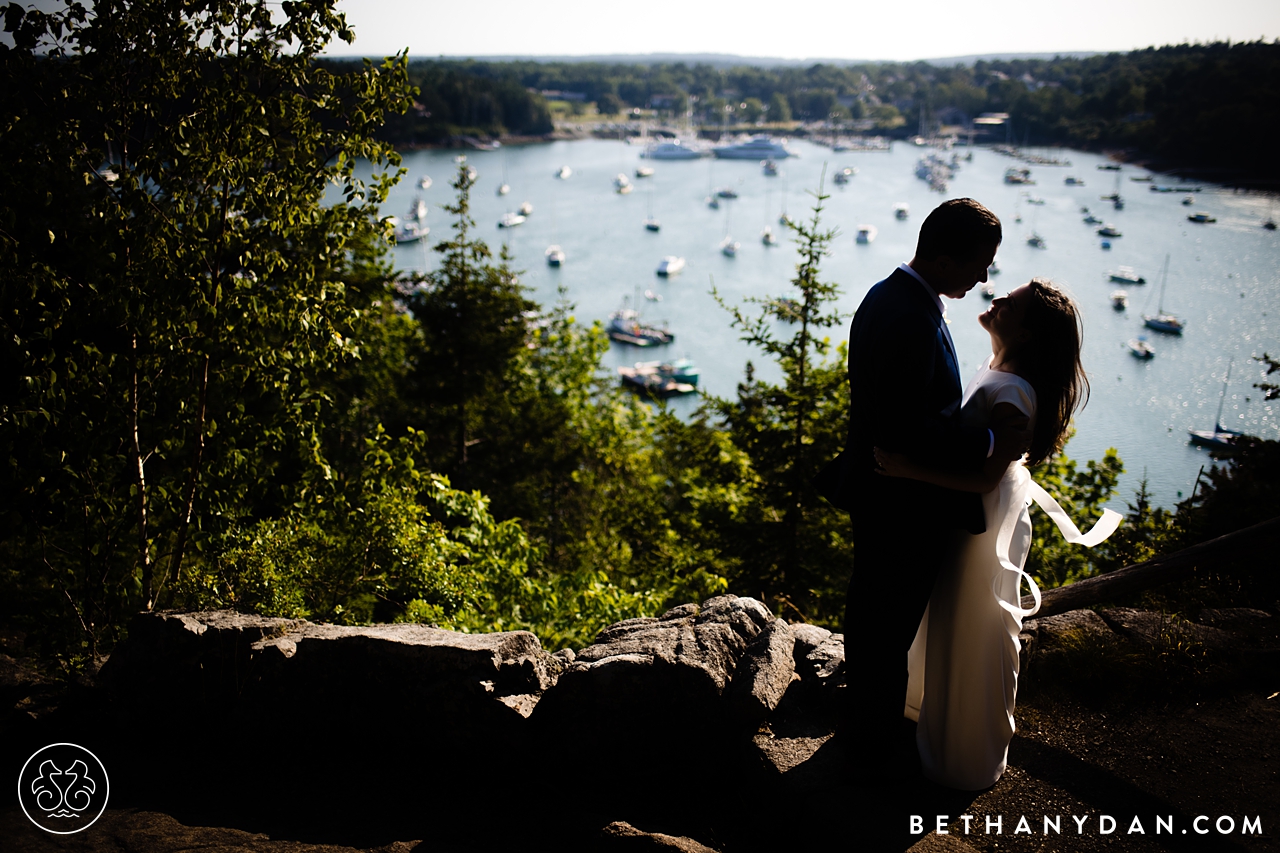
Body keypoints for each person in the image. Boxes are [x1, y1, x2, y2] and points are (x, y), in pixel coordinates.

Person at [813, 198, 1028, 781]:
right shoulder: (910, 314)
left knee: (876, 623)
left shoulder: (893, 296)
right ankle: (871, 752)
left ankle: (866, 734)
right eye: (979, 263)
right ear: (941, 256)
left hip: (883, 494)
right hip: (899, 504)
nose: (984, 277)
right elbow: (907, 427)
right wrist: (989, 440)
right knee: (885, 629)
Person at [875, 278, 1117, 790]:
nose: (998, 297)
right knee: (950, 618)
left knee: (972, 625)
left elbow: (985, 475)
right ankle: (927, 718)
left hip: (983, 518)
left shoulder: (1013, 392)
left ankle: (963, 756)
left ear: (1027, 333)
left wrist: (905, 470)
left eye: (1013, 301)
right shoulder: (998, 372)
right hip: (975, 511)